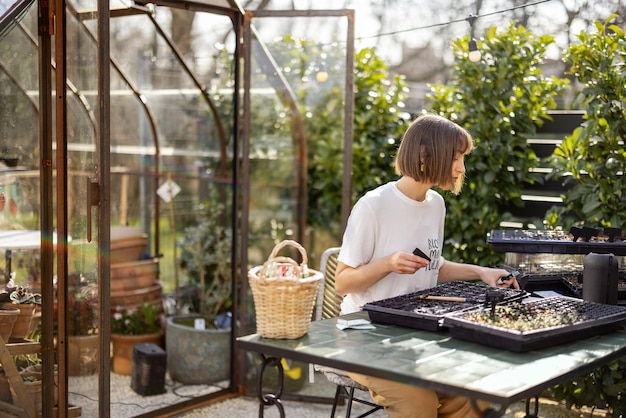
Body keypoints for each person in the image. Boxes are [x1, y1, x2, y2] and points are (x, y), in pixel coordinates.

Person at [334, 113, 519, 418]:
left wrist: (480, 272)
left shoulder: (436, 205)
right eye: (456, 157)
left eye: (462, 158)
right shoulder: (373, 205)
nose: (461, 167)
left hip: (414, 333)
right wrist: (387, 264)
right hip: (364, 334)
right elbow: (342, 282)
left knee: (474, 395)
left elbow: (432, 266)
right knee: (418, 401)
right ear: (425, 154)